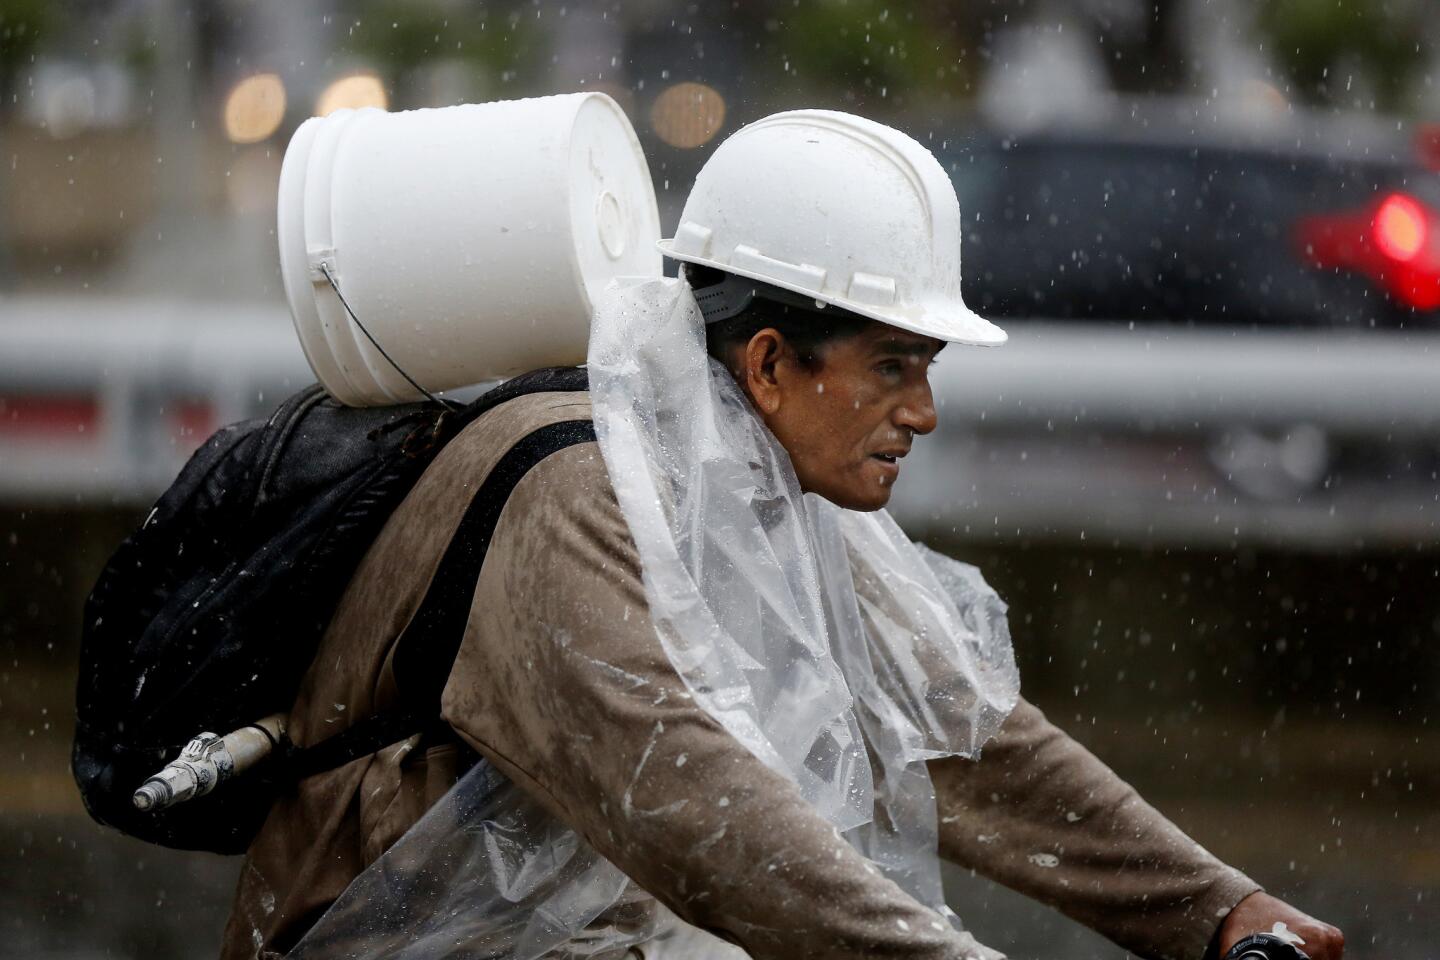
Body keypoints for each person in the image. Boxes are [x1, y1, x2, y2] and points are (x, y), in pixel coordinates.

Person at [221, 110, 1344, 960]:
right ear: (767, 363)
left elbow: (950, 731)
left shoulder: (743, 473)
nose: (924, 412)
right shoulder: (577, 494)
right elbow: (696, 808)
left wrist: (1213, 907)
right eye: (892, 367)